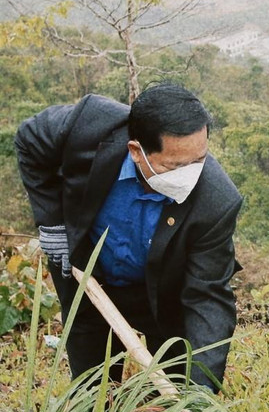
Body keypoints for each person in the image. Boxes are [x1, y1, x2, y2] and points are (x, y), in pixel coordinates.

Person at [15, 83, 242, 392]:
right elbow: (30, 141)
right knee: (93, 386)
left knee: (175, 384)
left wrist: (199, 395)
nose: (191, 174)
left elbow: (209, 300)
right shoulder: (88, 125)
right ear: (136, 151)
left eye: (199, 159)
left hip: (164, 293)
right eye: (176, 165)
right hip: (90, 278)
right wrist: (52, 223)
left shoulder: (216, 200)